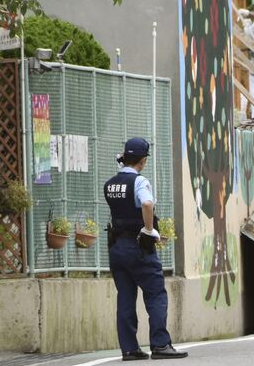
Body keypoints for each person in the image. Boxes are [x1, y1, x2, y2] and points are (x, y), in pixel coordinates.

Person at [104, 138, 187, 361]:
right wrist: (149, 230)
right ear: (143, 160)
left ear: (124, 156)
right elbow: (147, 204)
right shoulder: (140, 182)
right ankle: (160, 345)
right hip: (138, 247)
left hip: (116, 248)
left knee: (125, 297)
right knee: (156, 295)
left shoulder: (111, 183)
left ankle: (130, 349)